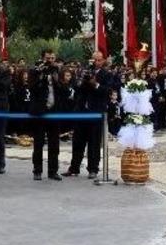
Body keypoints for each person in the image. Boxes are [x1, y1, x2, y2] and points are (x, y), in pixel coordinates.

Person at [65, 50, 111, 179]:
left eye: (98, 60)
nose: (96, 62)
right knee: (77, 141)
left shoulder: (106, 74)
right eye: (94, 60)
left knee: (94, 143)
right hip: (81, 112)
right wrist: (83, 80)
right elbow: (77, 87)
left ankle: (93, 169)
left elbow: (106, 91)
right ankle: (74, 168)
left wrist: (95, 83)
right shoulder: (85, 71)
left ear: (103, 60)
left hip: (95, 113)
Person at [29, 49, 62, 181]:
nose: (50, 61)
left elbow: (63, 89)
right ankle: (37, 170)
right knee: (38, 143)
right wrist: (41, 75)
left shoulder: (57, 71)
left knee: (54, 144)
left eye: (53, 58)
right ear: (42, 58)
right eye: (48, 58)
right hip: (40, 112)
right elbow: (32, 88)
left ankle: (53, 171)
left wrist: (56, 78)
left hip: (54, 111)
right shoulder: (35, 71)